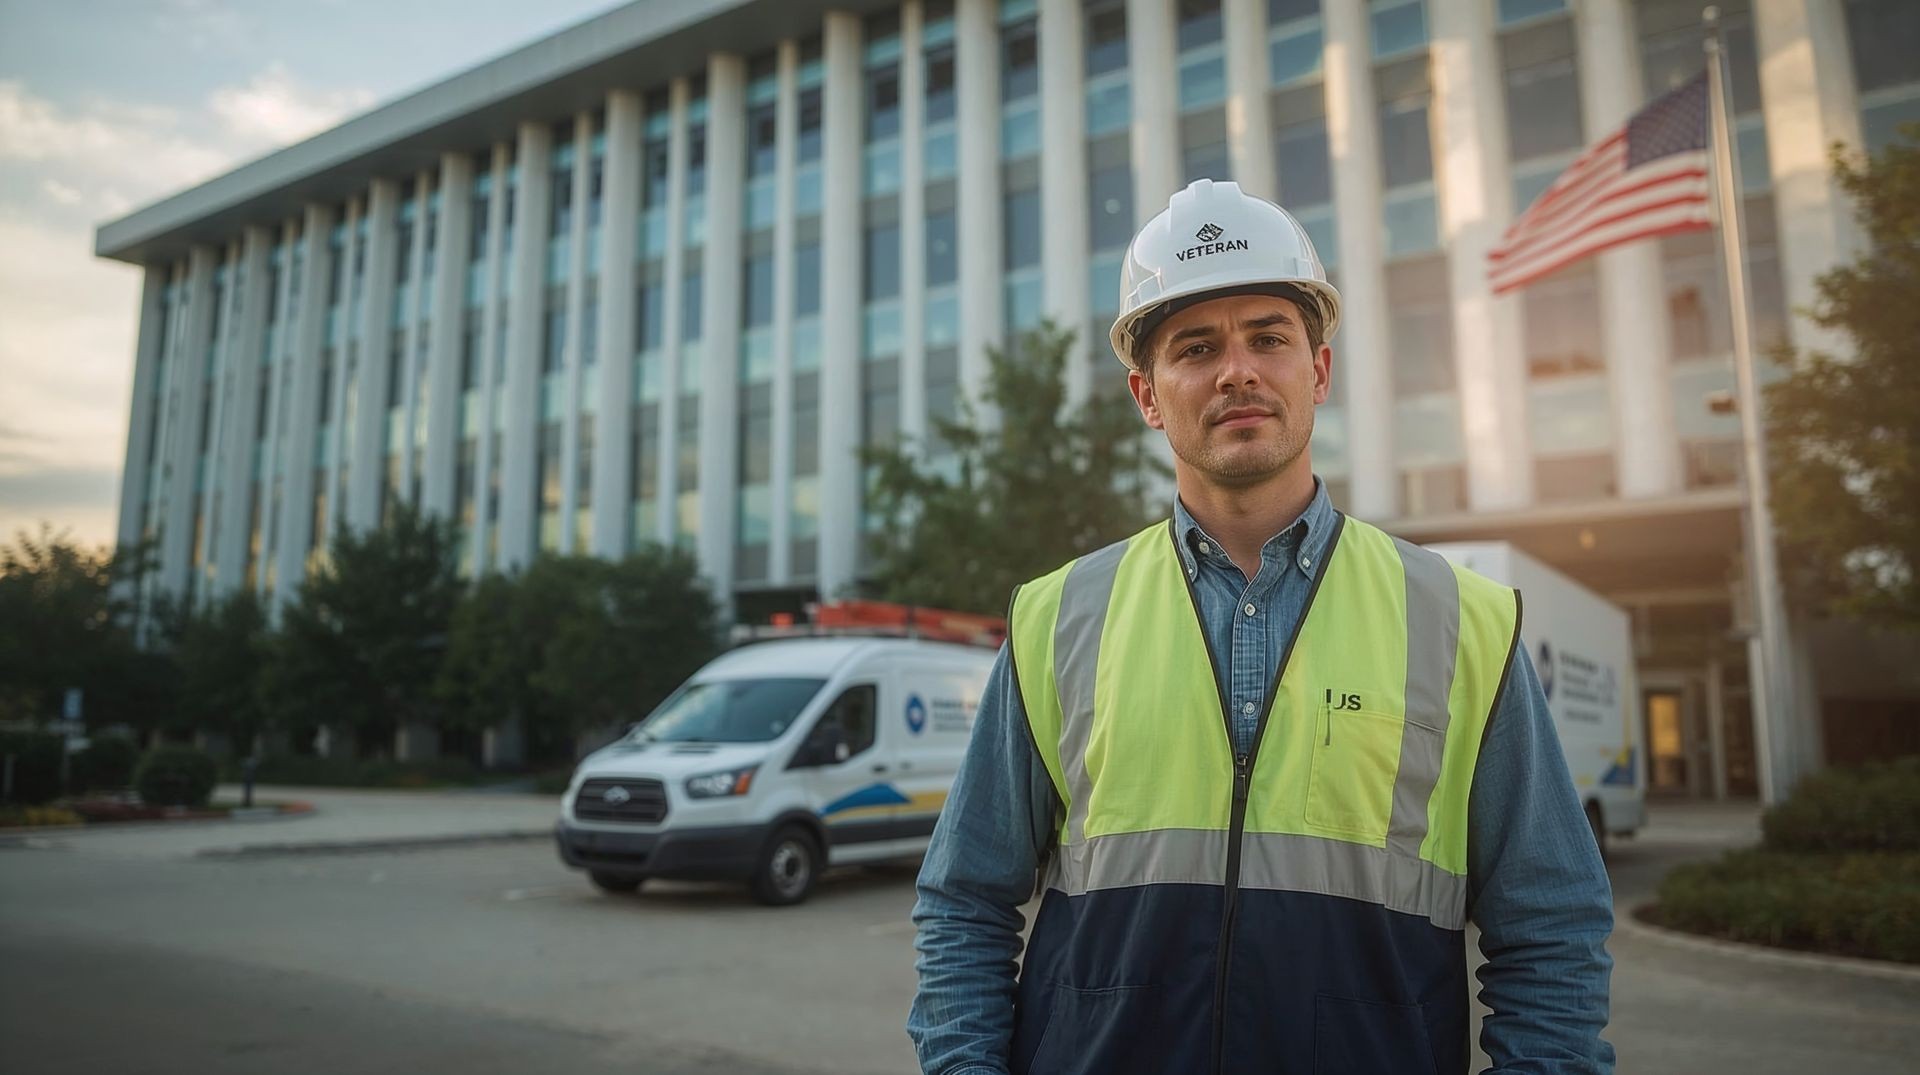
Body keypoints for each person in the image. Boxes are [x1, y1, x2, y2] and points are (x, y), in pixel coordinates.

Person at [907, 179, 1615, 1075]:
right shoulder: (1057, 617)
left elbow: (1551, 923)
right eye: (1196, 347)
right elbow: (965, 898)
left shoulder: (1458, 620)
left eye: (1269, 338)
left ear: (1318, 370)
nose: (1236, 369)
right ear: (1147, 396)